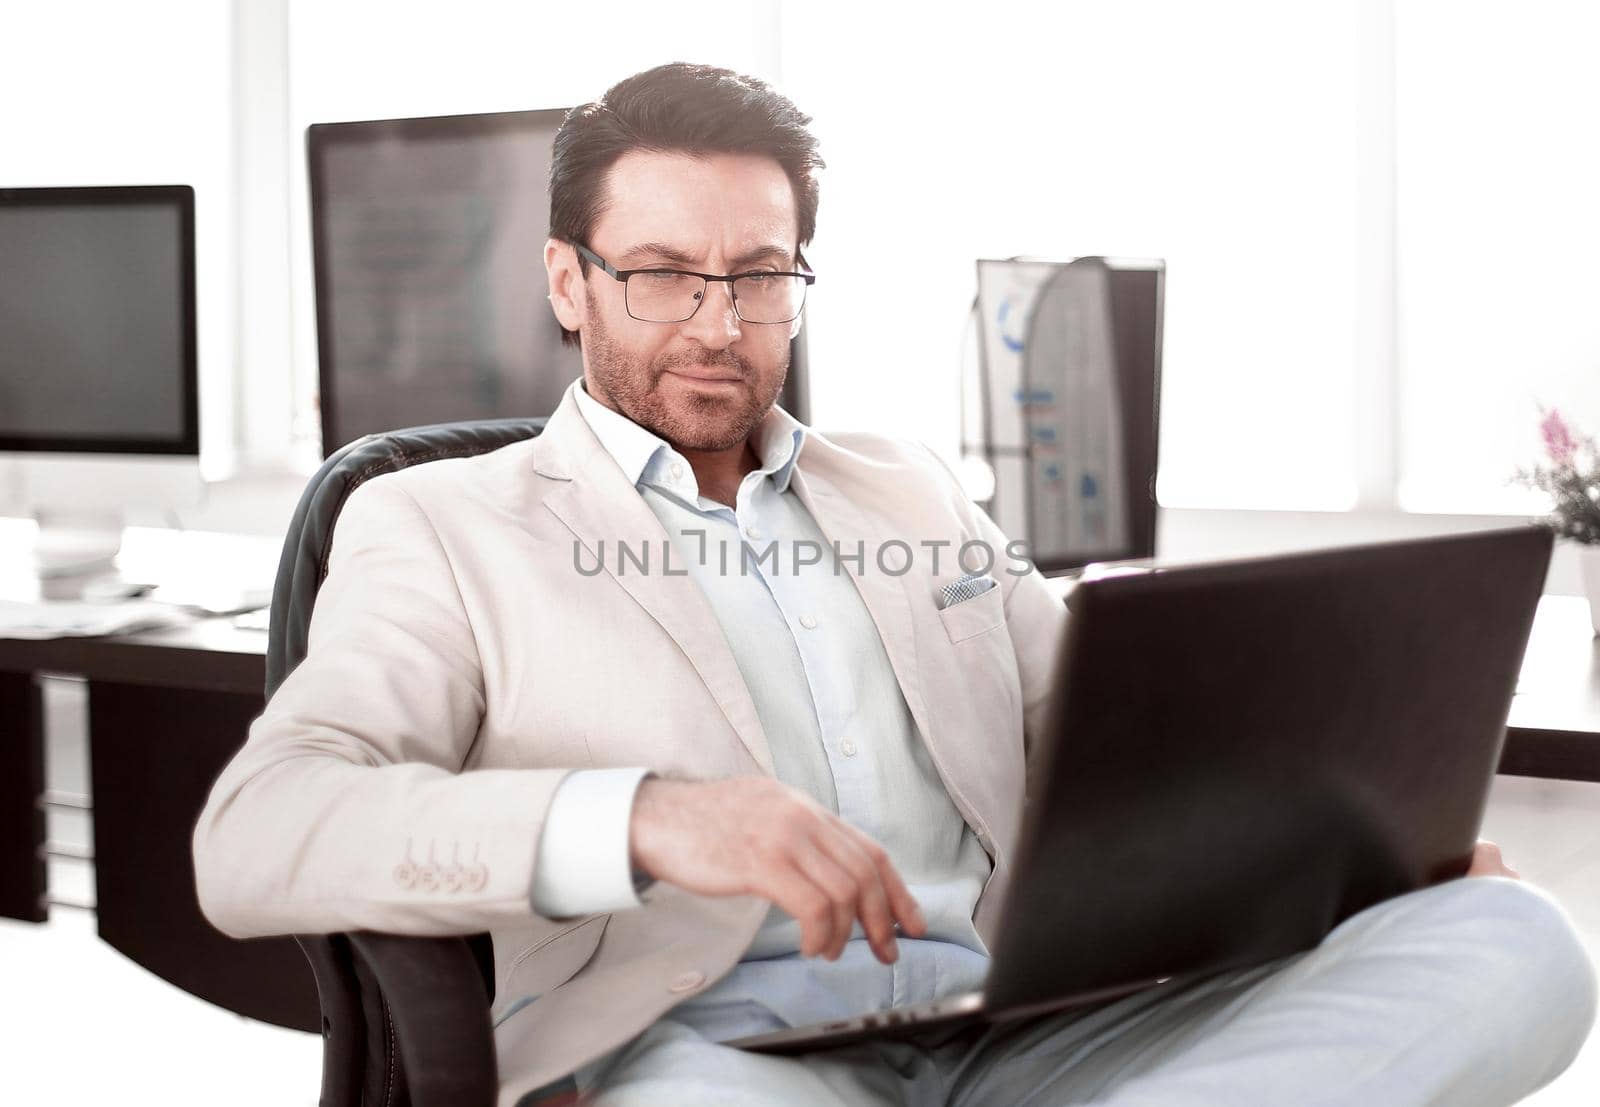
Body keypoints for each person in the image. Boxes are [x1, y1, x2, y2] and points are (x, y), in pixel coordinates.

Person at [193, 62, 1596, 1106]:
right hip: (720, 1054)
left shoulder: (908, 488)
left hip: (1024, 1026)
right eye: (662, 275)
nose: (718, 322)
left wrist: (1361, 852)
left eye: (759, 276)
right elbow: (259, 837)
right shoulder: (438, 523)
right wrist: (649, 820)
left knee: (1511, 942)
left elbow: (1118, 737)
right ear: (567, 281)